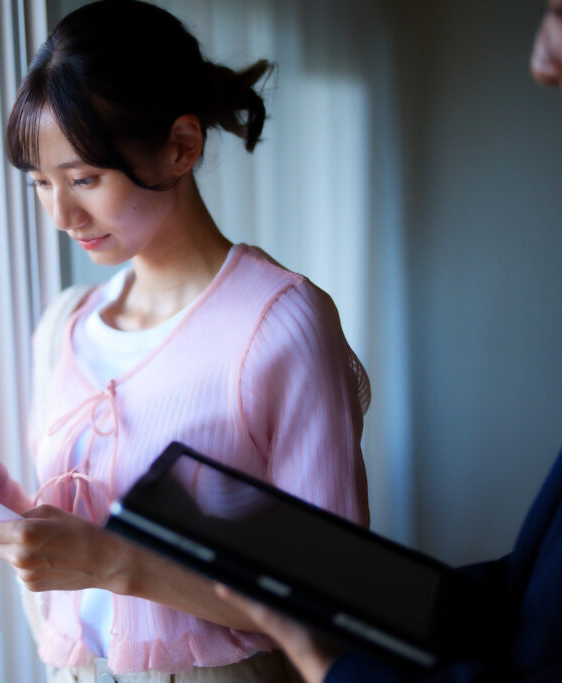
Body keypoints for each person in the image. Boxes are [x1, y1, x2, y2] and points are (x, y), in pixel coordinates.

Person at [0, 1, 370, 680]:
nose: (62, 215)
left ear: (181, 146)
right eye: (41, 183)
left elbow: (330, 597)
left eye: (84, 179)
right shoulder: (65, 326)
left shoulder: (277, 322)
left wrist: (116, 563)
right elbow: (79, 548)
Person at [212, 3, 562, 681]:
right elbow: (537, 594)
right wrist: (388, 598)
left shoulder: (287, 314)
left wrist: (325, 660)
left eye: (557, 10)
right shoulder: (71, 324)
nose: (541, 61)